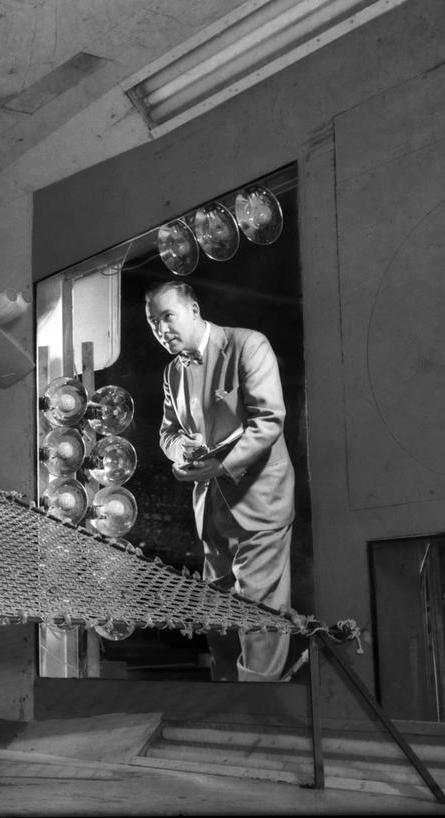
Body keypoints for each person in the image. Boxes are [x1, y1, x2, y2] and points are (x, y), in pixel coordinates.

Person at [144, 280, 294, 682]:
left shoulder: (248, 345)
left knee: (258, 611)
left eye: (167, 317)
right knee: (220, 613)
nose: (161, 330)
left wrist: (220, 467)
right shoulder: (172, 371)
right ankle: (227, 697)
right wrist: (183, 452)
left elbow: (269, 422)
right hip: (211, 509)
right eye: (153, 323)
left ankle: (259, 711)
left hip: (261, 501)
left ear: (193, 310)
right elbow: (168, 433)